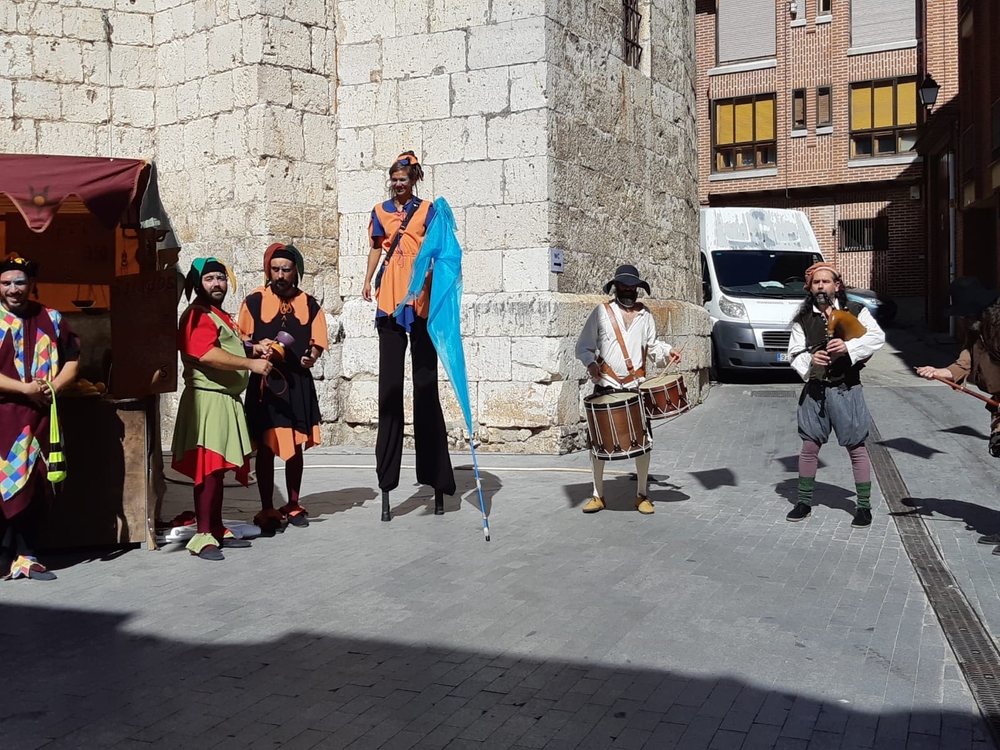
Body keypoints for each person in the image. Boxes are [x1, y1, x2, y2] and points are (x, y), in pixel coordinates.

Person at [362, 151, 455, 522]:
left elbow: (438, 252)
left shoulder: (429, 209)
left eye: (403, 179)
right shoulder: (380, 210)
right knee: (389, 393)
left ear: (413, 178)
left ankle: (435, 478)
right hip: (390, 301)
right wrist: (367, 280)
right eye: (394, 179)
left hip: (420, 301)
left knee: (426, 390)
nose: (398, 185)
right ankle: (387, 479)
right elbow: (375, 247)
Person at [172, 258, 272, 561]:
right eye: (210, 279)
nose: (217, 284)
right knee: (208, 469)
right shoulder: (196, 315)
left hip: (224, 400)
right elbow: (206, 354)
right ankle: (202, 535)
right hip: (208, 401)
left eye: (221, 278)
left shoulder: (218, 315)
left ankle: (215, 526)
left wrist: (253, 347)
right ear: (197, 284)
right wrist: (250, 364)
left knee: (217, 470)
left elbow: (228, 345)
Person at [785, 262, 885, 528]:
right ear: (810, 288)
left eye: (825, 282)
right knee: (809, 446)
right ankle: (804, 502)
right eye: (816, 283)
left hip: (846, 389)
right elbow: (792, 353)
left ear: (836, 286)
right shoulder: (802, 319)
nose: (821, 287)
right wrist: (810, 358)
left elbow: (876, 338)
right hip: (815, 390)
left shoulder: (855, 311)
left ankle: (863, 507)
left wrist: (849, 347)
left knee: (856, 447)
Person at [575, 264, 681, 515]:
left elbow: (653, 347)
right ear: (615, 287)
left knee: (643, 442)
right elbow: (583, 346)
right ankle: (597, 495)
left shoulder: (646, 316)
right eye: (624, 286)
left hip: (635, 387)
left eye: (633, 287)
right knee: (598, 443)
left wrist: (668, 352)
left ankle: (642, 494)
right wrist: (590, 364)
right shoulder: (601, 312)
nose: (629, 291)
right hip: (607, 384)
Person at [238, 243, 328, 533]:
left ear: (295, 272)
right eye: (275, 269)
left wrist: (310, 357)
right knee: (266, 446)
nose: (280, 275)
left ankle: (292, 503)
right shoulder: (253, 301)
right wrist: (255, 348)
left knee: (296, 444)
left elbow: (317, 343)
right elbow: (241, 339)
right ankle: (266, 507)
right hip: (266, 383)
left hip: (297, 383)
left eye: (286, 270)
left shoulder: (310, 304)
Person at [0, 255, 79, 581]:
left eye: (20, 282)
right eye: (6, 283)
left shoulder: (52, 318)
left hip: (40, 417)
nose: (13, 290)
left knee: (33, 484)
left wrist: (52, 388)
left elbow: (72, 361)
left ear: (32, 284)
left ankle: (26, 555)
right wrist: (24, 389)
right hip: (4, 415)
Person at [916, 277, 1000, 551]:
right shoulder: (976, 331)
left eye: (967, 311)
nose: (963, 317)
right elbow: (964, 362)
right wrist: (939, 372)